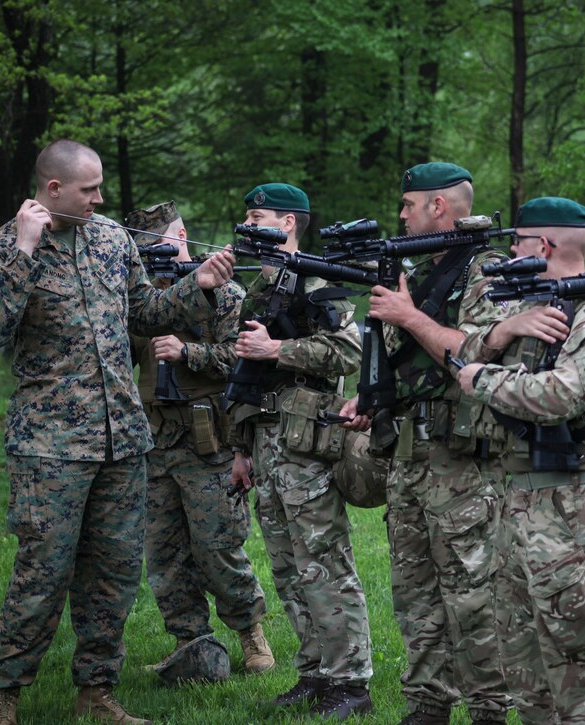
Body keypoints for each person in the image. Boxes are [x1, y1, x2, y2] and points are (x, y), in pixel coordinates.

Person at [0, 139, 236, 725]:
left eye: (100, 187)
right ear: (53, 188)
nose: (100, 198)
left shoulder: (113, 239)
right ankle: (3, 694)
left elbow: (147, 313)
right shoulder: (3, 249)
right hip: (50, 447)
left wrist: (201, 285)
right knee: (43, 574)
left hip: (122, 440)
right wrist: (25, 251)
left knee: (113, 573)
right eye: (89, 189)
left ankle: (97, 689)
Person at [339, 162, 511, 725]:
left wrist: (408, 315)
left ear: (439, 207)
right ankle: (428, 705)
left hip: (462, 462)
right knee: (414, 593)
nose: (402, 216)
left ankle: (490, 708)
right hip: (408, 456)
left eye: (409, 205)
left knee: (472, 593)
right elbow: (404, 364)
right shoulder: (425, 272)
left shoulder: (486, 272)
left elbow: (475, 355)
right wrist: (371, 401)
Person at [456, 197, 585, 723]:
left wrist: (484, 380)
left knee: (578, 647)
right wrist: (498, 340)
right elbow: (467, 346)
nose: (511, 249)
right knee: (522, 652)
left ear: (544, 245)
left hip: (570, 498)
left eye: (518, 241)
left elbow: (563, 394)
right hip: (518, 497)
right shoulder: (527, 310)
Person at [226, 183, 373, 719]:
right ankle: (314, 674)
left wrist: (279, 348)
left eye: (258, 215)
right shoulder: (262, 285)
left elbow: (350, 351)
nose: (247, 221)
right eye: (245, 214)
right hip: (266, 444)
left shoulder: (317, 279)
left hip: (306, 444)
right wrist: (242, 449)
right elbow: (247, 376)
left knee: (324, 563)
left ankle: (351, 683)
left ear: (288, 222)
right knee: (288, 567)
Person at [125, 201, 270, 681]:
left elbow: (244, 358)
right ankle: (191, 642)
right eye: (146, 251)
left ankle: (251, 634)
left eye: (161, 245)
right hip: (155, 440)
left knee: (218, 544)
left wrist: (190, 352)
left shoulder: (224, 292)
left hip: (207, 440)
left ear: (182, 234)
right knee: (164, 554)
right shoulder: (141, 299)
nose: (155, 257)